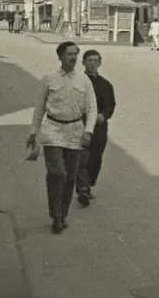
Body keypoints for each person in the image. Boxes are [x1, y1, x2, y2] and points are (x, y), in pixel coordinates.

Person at [27, 41, 97, 235]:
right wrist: (33, 132)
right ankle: (56, 215)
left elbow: (92, 108)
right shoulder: (49, 79)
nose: (73, 58)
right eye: (69, 54)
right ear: (60, 57)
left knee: (70, 177)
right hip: (53, 130)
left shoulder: (84, 81)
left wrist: (88, 131)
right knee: (58, 173)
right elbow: (39, 108)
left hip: (75, 131)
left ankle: (62, 215)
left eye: (75, 54)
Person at [75, 50, 116, 207]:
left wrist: (103, 116)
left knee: (95, 158)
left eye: (95, 61)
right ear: (83, 63)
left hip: (98, 128)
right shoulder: (77, 82)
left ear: (99, 64)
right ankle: (83, 189)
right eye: (89, 60)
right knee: (82, 157)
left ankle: (89, 184)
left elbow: (110, 105)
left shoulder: (105, 85)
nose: (92, 63)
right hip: (81, 125)